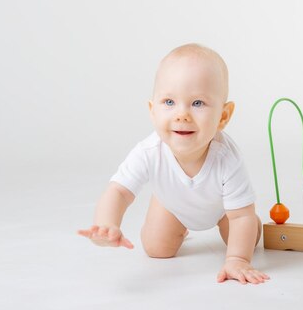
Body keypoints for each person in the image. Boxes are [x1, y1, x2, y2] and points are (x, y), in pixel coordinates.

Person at [78, 43, 269, 285]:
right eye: (169, 102)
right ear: (152, 110)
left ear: (223, 116)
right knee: (157, 249)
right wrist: (106, 224)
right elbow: (118, 191)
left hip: (223, 209)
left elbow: (240, 216)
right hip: (172, 203)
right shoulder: (149, 151)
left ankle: (252, 228)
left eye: (197, 103)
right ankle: (166, 202)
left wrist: (237, 259)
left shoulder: (226, 159)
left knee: (245, 236)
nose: (182, 115)